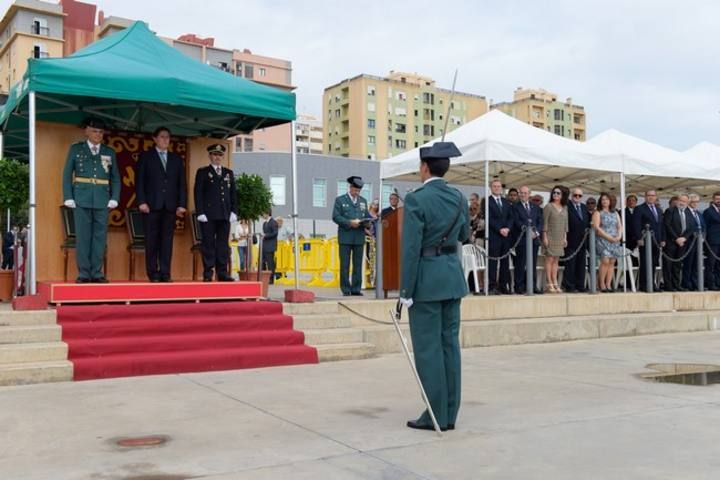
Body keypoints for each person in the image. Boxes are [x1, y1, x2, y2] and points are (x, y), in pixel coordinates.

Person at [399, 141, 469, 432]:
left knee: (428, 350)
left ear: (425, 167)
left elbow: (411, 248)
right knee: (449, 346)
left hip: (426, 282)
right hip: (452, 278)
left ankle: (435, 414)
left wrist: (406, 291)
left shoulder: (416, 199)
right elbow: (463, 235)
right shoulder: (458, 197)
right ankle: (450, 412)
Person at [62, 117, 121, 283]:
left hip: (102, 199)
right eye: (94, 131)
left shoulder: (109, 152)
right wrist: (68, 196)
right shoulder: (76, 149)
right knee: (83, 237)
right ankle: (84, 273)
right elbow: (67, 174)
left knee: (100, 238)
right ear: (86, 131)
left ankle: (97, 273)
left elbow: (115, 177)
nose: (98, 134)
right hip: (81, 197)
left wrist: (114, 198)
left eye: (101, 132)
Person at [135, 126, 187, 282]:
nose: (166, 140)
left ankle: (165, 272)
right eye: (162, 136)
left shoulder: (176, 159)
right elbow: (139, 182)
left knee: (167, 241)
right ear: (155, 139)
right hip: (151, 205)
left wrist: (181, 204)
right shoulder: (146, 156)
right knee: (151, 240)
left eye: (168, 137)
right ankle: (153, 272)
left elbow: (181, 184)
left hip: (170, 206)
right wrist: (142, 201)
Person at [193, 144, 236, 282]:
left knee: (223, 245)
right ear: (210, 156)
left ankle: (222, 272)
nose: (217, 157)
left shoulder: (228, 173)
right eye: (215, 154)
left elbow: (233, 194)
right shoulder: (203, 172)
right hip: (209, 215)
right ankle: (208, 272)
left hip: (224, 214)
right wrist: (200, 211)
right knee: (208, 244)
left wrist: (234, 211)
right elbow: (198, 193)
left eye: (220, 155)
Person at [332, 176, 369, 296]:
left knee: (358, 265)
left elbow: (366, 215)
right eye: (355, 190)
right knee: (345, 264)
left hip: (359, 237)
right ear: (350, 187)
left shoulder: (363, 201)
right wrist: (349, 223)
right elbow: (336, 216)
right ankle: (346, 289)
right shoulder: (340, 200)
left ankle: (356, 289)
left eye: (358, 191)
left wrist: (369, 221)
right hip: (345, 237)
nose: (356, 193)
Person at [512, 186, 543, 294]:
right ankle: (519, 287)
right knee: (521, 264)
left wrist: (536, 232)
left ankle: (533, 286)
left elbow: (540, 222)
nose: (523, 195)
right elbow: (516, 221)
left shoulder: (536, 207)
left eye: (525, 193)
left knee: (532, 264)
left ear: (530, 194)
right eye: (521, 193)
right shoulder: (515, 207)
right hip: (522, 239)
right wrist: (527, 231)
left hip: (534, 240)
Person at [634, 190, 665, 292]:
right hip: (645, 240)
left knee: (654, 263)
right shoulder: (639, 208)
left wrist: (662, 239)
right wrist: (639, 238)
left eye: (653, 195)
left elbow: (661, 226)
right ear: (645, 196)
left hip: (656, 241)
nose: (651, 197)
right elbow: (636, 224)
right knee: (645, 262)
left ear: (656, 197)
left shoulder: (659, 210)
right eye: (649, 195)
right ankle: (645, 285)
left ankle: (652, 283)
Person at [593, 192, 623, 292]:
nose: (604, 201)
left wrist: (619, 236)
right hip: (603, 239)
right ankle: (601, 284)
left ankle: (608, 284)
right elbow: (597, 228)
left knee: (612, 262)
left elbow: (619, 226)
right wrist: (609, 237)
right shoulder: (597, 212)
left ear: (610, 201)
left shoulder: (615, 213)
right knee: (605, 261)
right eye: (603, 199)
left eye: (606, 199)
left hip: (615, 240)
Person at [562, 188, 590, 293]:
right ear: (571, 196)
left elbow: (586, 221)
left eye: (579, 196)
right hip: (571, 239)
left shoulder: (583, 207)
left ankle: (580, 285)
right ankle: (570, 286)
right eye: (575, 195)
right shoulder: (566, 207)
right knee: (571, 264)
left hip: (582, 240)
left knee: (581, 264)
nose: (577, 197)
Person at [663, 194, 693, 292]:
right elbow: (667, 225)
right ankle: (668, 285)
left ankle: (677, 284)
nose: (682, 203)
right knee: (668, 265)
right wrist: (676, 238)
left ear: (687, 203)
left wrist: (684, 238)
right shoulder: (670, 211)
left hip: (683, 243)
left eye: (684, 201)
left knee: (678, 265)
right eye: (680, 200)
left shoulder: (688, 212)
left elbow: (691, 227)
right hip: (671, 242)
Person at [487, 180, 512, 294]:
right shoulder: (487, 201)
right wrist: (499, 229)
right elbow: (489, 218)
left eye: (499, 186)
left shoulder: (506, 201)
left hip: (506, 236)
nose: (497, 188)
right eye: (494, 186)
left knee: (505, 262)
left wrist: (507, 228)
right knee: (493, 262)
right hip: (494, 236)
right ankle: (492, 286)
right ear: (491, 188)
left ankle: (503, 285)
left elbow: (511, 217)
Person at [542, 186, 568, 293]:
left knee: (556, 261)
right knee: (549, 260)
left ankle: (555, 282)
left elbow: (566, 224)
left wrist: (565, 238)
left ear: (562, 196)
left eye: (558, 193)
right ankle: (549, 283)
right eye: (554, 193)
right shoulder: (548, 206)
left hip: (560, 237)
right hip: (550, 236)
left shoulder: (565, 207)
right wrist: (545, 237)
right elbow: (545, 223)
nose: (555, 195)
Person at [682, 194, 704, 291]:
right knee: (688, 264)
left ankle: (695, 282)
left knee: (696, 264)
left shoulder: (698, 213)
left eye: (697, 202)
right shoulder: (685, 212)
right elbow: (687, 227)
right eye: (693, 202)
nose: (695, 204)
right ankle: (687, 283)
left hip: (699, 243)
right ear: (689, 202)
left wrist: (703, 237)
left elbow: (703, 226)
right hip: (689, 242)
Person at [703, 192, 720, 290]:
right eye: (717, 199)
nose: (719, 201)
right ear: (713, 199)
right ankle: (711, 284)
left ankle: (718, 283)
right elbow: (706, 227)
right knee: (711, 264)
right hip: (712, 242)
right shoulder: (708, 211)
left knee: (719, 265)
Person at [624, 194, 639, 286]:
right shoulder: (622, 212)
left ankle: (636, 282)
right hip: (628, 241)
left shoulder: (639, 211)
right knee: (627, 263)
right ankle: (628, 283)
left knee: (637, 263)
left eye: (633, 200)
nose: (631, 202)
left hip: (637, 241)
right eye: (629, 200)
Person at [261, 211, 278, 284]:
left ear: (267, 213)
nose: (262, 215)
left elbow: (275, 233)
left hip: (270, 246)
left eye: (263, 213)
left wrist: (266, 235)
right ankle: (264, 278)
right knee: (263, 262)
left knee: (270, 263)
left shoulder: (273, 222)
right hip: (264, 245)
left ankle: (271, 279)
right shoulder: (265, 223)